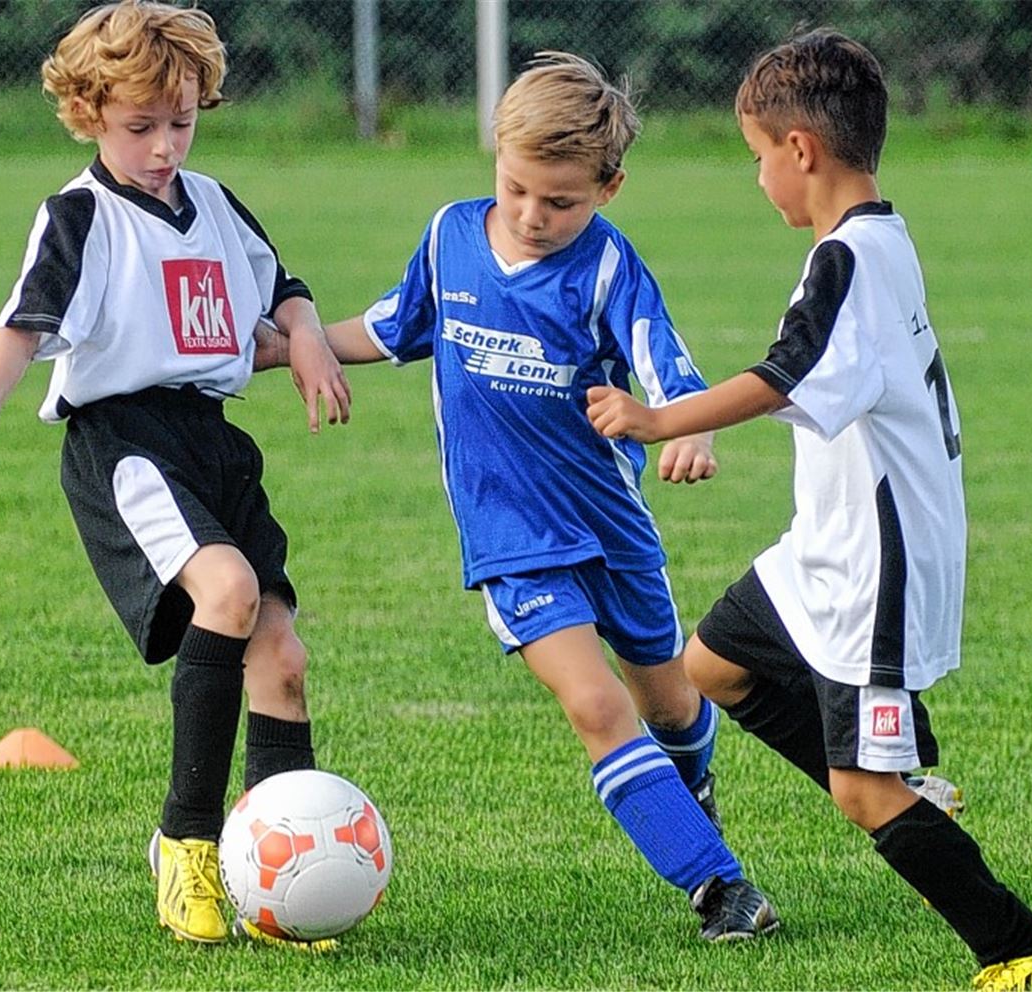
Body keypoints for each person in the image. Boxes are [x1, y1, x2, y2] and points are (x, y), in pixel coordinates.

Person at [586, 28, 1032, 991]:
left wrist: (656, 419)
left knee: (859, 792)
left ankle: (1023, 953)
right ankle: (912, 787)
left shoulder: (846, 262)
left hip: (871, 569)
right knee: (711, 666)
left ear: (801, 150)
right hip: (823, 548)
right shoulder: (876, 241)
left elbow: (778, 379)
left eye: (758, 157)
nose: (760, 177)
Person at [281, 50, 778, 941]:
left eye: (561, 201)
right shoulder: (449, 237)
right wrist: (288, 346)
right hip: (512, 536)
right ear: (495, 159)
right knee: (596, 705)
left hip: (613, 525)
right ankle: (719, 887)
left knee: (670, 705)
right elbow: (394, 328)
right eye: (516, 189)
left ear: (609, 187)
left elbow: (669, 370)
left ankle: (687, 789)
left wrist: (691, 430)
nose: (532, 215)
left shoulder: (605, 268)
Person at [0, 0, 351, 949]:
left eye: (182, 121)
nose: (165, 146)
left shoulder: (211, 200)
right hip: (124, 443)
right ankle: (188, 845)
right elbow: (23, 322)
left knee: (282, 659)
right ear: (88, 113)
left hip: (213, 439)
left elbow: (281, 289)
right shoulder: (79, 216)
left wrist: (308, 340)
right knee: (229, 588)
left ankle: (275, 870)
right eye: (141, 127)